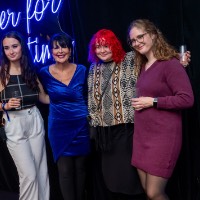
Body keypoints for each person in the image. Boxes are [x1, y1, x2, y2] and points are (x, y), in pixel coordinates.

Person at [128, 19, 194, 200]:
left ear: (154, 35)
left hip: (163, 138)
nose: (136, 42)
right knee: (147, 192)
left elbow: (187, 99)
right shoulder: (142, 66)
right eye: (133, 40)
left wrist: (153, 101)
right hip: (142, 138)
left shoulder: (170, 63)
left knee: (154, 193)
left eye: (140, 36)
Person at [87, 29, 145, 200]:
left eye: (106, 46)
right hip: (105, 132)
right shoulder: (94, 67)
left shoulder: (130, 59)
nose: (102, 50)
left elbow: (156, 61)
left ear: (114, 45)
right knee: (112, 178)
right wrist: (94, 122)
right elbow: (91, 96)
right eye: (98, 47)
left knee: (130, 177)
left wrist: (179, 59)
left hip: (128, 128)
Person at [38, 32, 90, 200]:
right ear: (51, 51)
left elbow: (89, 96)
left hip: (82, 125)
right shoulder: (43, 73)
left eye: (63, 47)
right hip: (59, 127)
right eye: (55, 47)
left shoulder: (82, 69)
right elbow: (43, 97)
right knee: (65, 171)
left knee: (81, 169)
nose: (60, 51)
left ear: (70, 49)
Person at [0, 31, 50, 200]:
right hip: (14, 122)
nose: (11, 51)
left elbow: (43, 97)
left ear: (22, 47)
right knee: (29, 174)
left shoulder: (30, 69)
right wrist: (5, 105)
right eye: (6, 48)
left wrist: (65, 95)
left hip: (34, 118)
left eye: (14, 46)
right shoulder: (2, 72)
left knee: (41, 171)